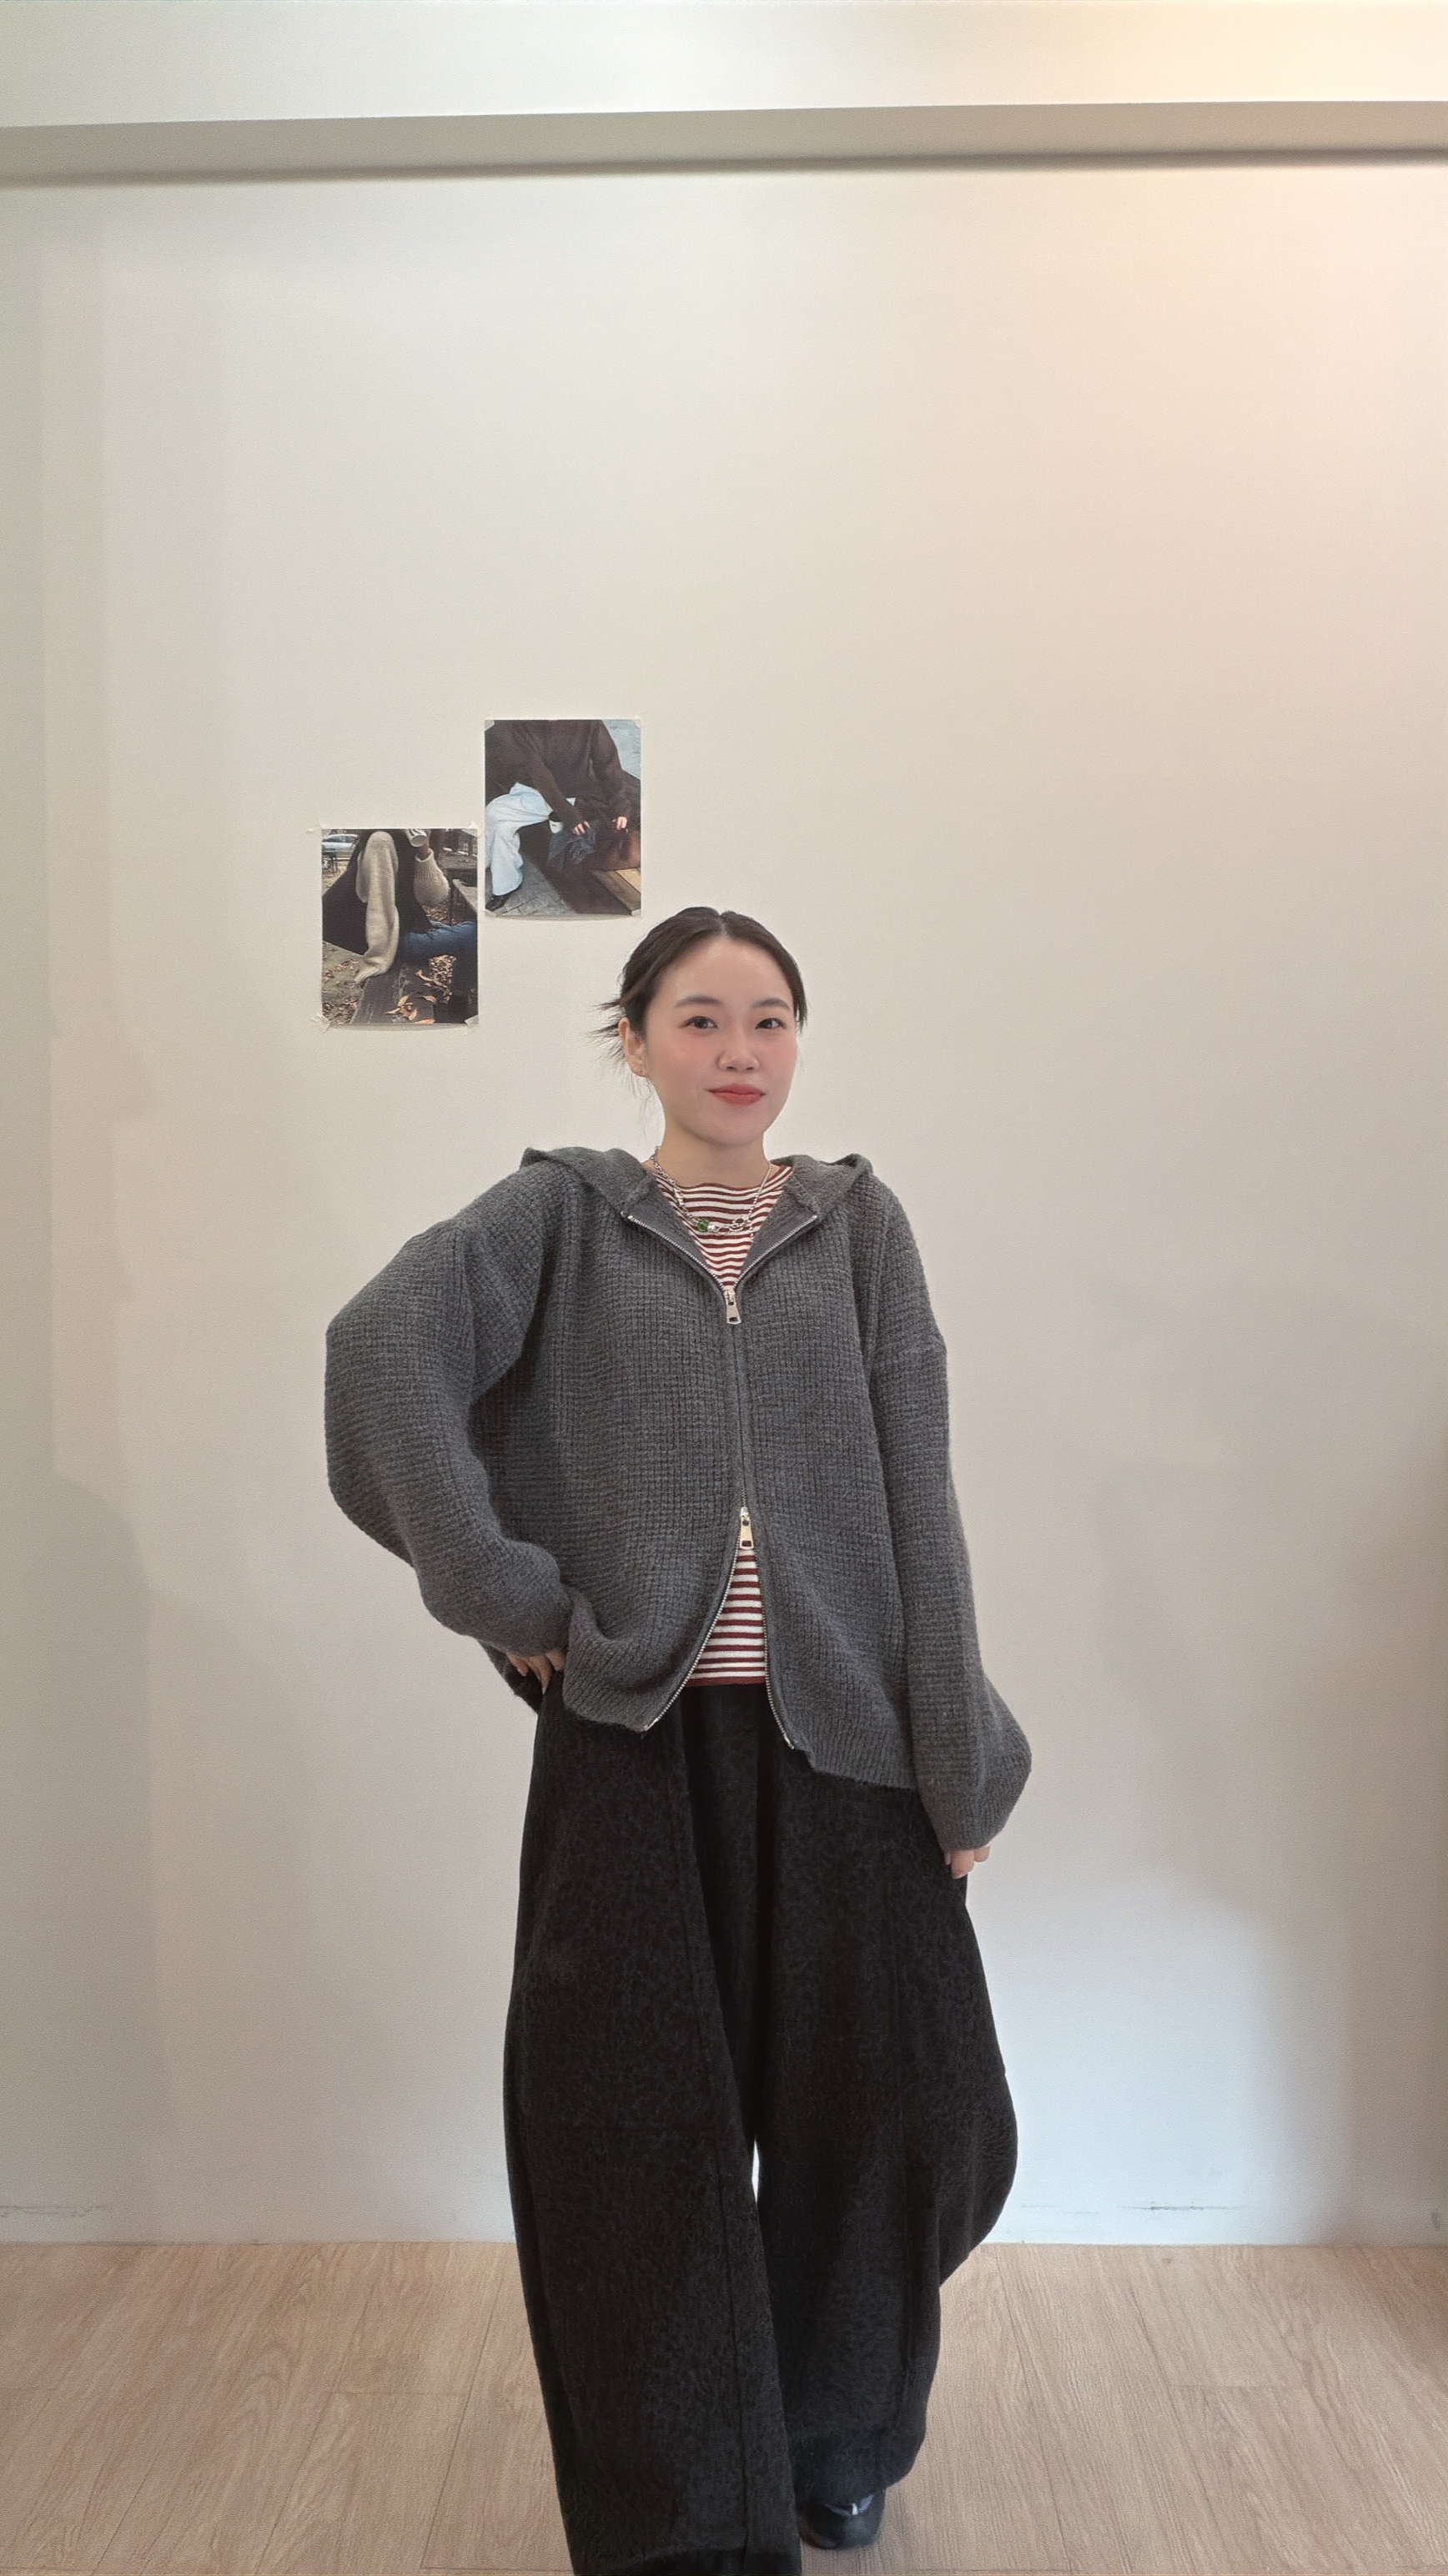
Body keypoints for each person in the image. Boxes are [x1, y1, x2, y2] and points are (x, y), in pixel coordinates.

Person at [324, 904, 1031, 2576]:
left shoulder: (859, 1228)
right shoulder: (559, 1216)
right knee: (633, 2148)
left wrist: (952, 1750)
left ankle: (830, 2432)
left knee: (914, 2118)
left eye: (769, 1017)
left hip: (846, 1749)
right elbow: (380, 1350)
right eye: (700, 1017)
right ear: (632, 1040)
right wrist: (506, 1590)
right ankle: (684, 2523)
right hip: (633, 1744)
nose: (738, 1049)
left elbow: (920, 1505)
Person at [321, 827, 476, 1020]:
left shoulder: (412, 842)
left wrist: (425, 851)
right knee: (475, 935)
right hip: (391, 940)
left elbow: (435, 897)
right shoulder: (382, 841)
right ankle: (458, 1002)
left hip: (407, 924)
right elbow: (378, 905)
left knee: (473, 932)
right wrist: (378, 958)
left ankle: (459, 999)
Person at [484, 720, 639, 907]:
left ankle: (495, 877)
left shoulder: (589, 722)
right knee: (502, 826)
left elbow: (608, 765)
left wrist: (619, 806)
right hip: (534, 788)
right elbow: (540, 774)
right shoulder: (523, 724)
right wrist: (569, 814)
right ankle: (504, 884)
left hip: (571, 793)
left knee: (495, 811)